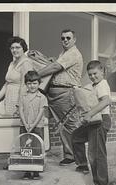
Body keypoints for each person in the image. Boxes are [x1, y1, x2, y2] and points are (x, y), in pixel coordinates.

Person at [37, 29, 83, 166]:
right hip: (54, 93)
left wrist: (36, 75)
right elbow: (58, 64)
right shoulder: (64, 53)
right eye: (63, 38)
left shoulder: (73, 53)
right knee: (55, 124)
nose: (65, 40)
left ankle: (76, 158)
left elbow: (56, 67)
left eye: (68, 38)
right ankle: (69, 155)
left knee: (69, 125)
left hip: (65, 92)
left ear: (74, 39)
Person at [72, 60, 112, 185]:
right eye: (90, 75)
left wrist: (89, 114)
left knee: (96, 154)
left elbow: (106, 101)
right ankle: (82, 165)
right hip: (93, 120)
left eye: (95, 73)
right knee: (76, 137)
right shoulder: (94, 85)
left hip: (100, 121)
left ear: (102, 72)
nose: (93, 77)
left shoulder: (102, 85)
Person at [0, 36, 33, 129]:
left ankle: (11, 143)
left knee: (12, 124)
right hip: (8, 98)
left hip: (18, 98)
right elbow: (7, 84)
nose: (14, 50)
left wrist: (20, 104)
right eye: (12, 48)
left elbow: (25, 85)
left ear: (24, 49)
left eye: (17, 47)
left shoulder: (26, 63)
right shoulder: (12, 64)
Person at [19, 71, 48, 180]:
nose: (32, 86)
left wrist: (33, 125)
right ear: (26, 84)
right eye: (29, 83)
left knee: (37, 148)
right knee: (25, 148)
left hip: (37, 126)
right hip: (24, 126)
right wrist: (26, 124)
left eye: (34, 83)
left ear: (39, 83)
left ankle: (36, 170)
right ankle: (27, 170)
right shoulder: (23, 96)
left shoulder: (42, 97)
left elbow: (41, 113)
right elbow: (20, 110)